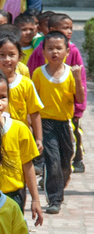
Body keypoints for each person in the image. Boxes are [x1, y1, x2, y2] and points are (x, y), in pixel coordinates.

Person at [31, 33, 85, 214]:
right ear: (44, 51)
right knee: (52, 161)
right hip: (46, 123)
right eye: (50, 48)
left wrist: (77, 78)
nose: (54, 52)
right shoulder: (38, 74)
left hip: (65, 124)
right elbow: (32, 101)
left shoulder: (71, 73)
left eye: (58, 48)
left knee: (65, 162)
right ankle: (55, 199)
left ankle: (60, 183)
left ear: (67, 51)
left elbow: (79, 98)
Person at [27, 14, 87, 173]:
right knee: (49, 148)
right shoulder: (39, 53)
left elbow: (80, 78)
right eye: (64, 28)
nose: (68, 31)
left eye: (70, 28)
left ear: (66, 51)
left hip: (66, 111)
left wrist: (79, 107)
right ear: (51, 30)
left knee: (71, 141)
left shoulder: (73, 51)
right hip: (45, 112)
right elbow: (31, 76)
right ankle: (49, 175)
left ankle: (77, 159)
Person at [0, 70, 44, 225]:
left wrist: (36, 199)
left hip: (14, 195)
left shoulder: (19, 129)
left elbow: (28, 165)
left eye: (2, 97)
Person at [0, 28, 43, 154]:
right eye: (2, 55)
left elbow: (34, 112)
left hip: (19, 136)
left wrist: (38, 138)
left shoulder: (26, 83)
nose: (7, 59)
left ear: (19, 57)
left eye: (11, 55)